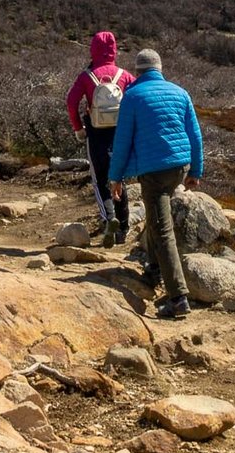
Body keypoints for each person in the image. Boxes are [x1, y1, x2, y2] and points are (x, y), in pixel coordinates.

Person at [106, 47, 204, 320]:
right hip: (178, 166)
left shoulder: (133, 97)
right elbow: (195, 135)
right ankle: (153, 267)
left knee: (162, 229)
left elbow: (122, 142)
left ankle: (178, 297)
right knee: (155, 216)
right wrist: (196, 170)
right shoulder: (180, 92)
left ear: (137, 71)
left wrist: (115, 178)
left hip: (153, 171)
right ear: (160, 70)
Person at [66, 30, 137, 244]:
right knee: (118, 178)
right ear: (114, 49)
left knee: (99, 178)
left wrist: (78, 128)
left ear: (93, 49)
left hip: (95, 131)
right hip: (120, 132)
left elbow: (71, 101)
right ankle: (123, 229)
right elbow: (136, 97)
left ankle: (109, 218)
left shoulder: (87, 76)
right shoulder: (123, 75)